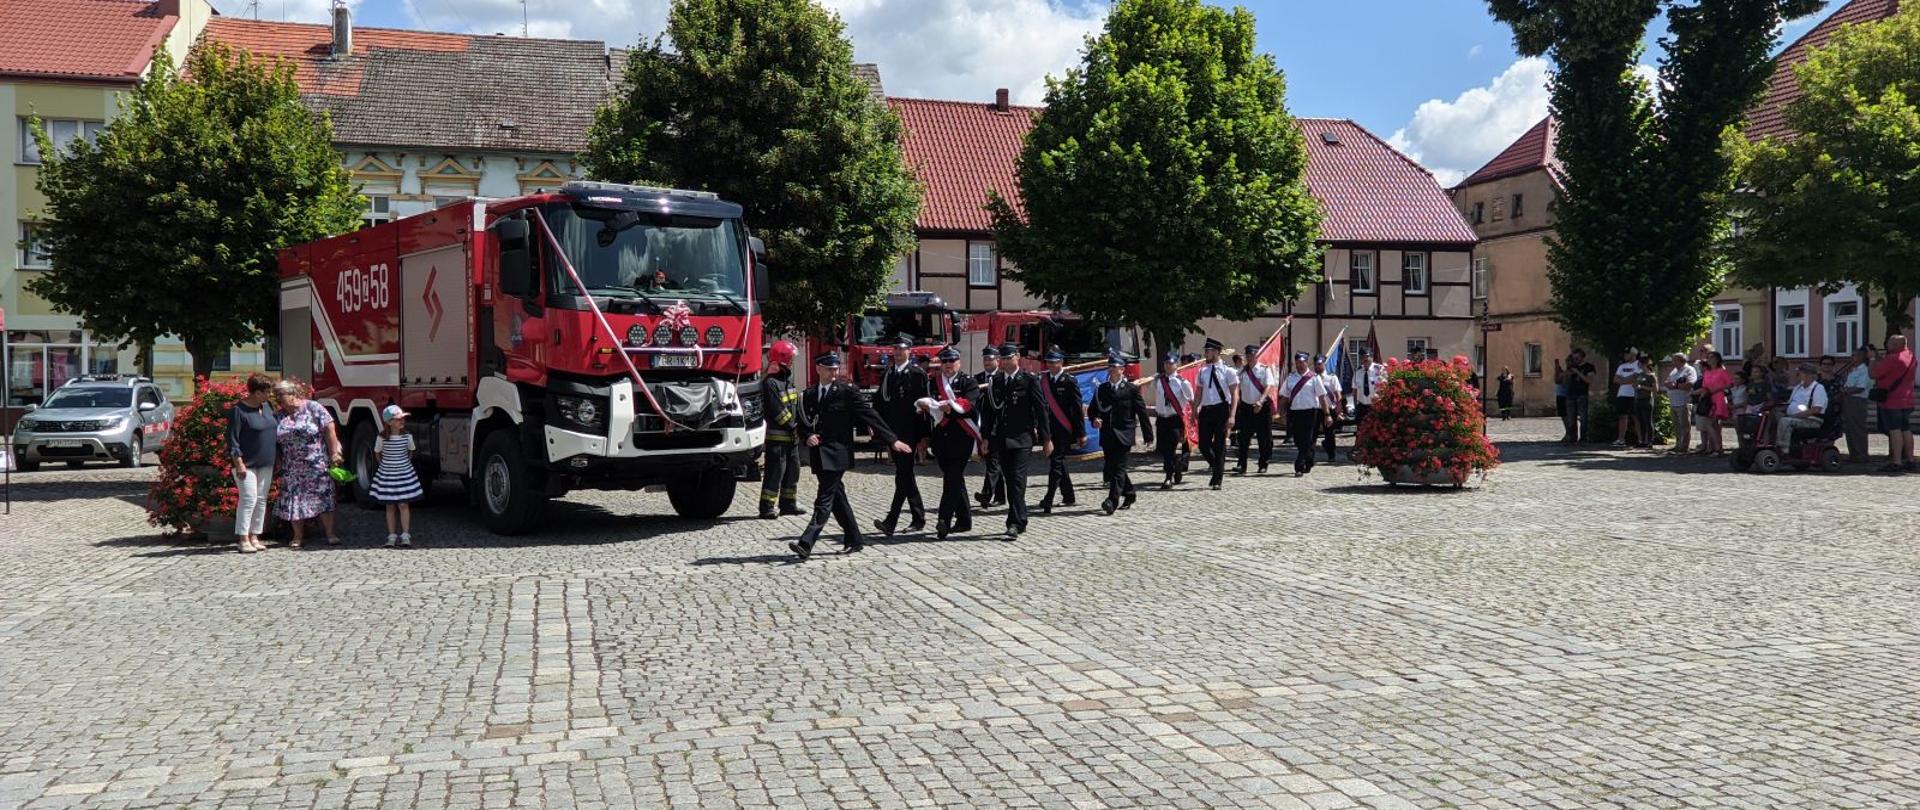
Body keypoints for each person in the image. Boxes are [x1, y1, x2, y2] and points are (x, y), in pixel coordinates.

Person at [789, 352, 910, 561]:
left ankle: (806, 542)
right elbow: (802, 422)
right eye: (829, 368)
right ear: (818, 368)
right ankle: (855, 539)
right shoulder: (808, 395)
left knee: (824, 498)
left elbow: (871, 416)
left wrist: (892, 440)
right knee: (838, 499)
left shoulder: (847, 392)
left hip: (837, 454)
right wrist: (807, 436)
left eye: (836, 369)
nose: (833, 373)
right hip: (819, 455)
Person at [984, 343, 1050, 540]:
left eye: (1008, 358)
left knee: (1018, 480)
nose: (1005, 362)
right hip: (1002, 438)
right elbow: (988, 412)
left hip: (1022, 438)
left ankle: (1014, 522)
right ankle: (1021, 518)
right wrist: (985, 437)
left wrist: (1047, 438)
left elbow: (1041, 410)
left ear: (1017, 357)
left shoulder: (1029, 380)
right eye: (1002, 359)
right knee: (1010, 479)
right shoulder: (996, 381)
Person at [272, 379, 342, 549]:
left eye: (281, 394)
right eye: (276, 395)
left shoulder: (312, 407)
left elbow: (329, 428)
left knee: (323, 497)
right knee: (294, 500)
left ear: (293, 394)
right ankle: (297, 536)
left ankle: (330, 534)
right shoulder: (279, 415)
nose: (278, 398)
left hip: (315, 462)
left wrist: (335, 452)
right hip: (292, 465)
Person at [923, 348, 983, 538]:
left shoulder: (968, 382)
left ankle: (943, 520)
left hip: (962, 437)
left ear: (959, 362)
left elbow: (969, 406)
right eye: (945, 361)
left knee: (951, 478)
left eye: (952, 361)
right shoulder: (934, 382)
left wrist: (951, 409)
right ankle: (964, 520)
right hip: (941, 439)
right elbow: (931, 406)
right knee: (955, 479)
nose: (948, 365)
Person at [873, 334, 928, 536]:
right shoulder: (888, 374)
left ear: (909, 351)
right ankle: (918, 517)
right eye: (895, 349)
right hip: (892, 432)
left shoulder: (917, 374)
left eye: (901, 349)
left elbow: (925, 407)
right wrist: (876, 426)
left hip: (910, 433)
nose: (897, 353)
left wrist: (924, 437)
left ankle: (891, 520)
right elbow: (881, 401)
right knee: (905, 476)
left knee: (903, 476)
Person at [1091, 353, 1153, 514]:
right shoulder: (1102, 389)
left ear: (1122, 369)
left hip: (1125, 434)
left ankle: (1112, 500)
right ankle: (1130, 492)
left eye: (1114, 367)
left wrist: (1148, 435)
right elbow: (1093, 410)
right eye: (1110, 366)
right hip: (1107, 434)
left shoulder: (1131, 389)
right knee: (1112, 468)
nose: (1111, 369)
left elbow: (1142, 412)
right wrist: (1095, 419)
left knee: (1118, 468)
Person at [227, 373, 279, 554]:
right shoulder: (238, 410)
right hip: (246, 463)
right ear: (257, 393)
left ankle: (255, 536)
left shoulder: (267, 407)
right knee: (249, 498)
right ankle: (243, 538)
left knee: (262, 499)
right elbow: (233, 440)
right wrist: (238, 462)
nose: (270, 395)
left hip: (267, 461)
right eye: (267, 392)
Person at [757, 340, 806, 519]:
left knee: (793, 471)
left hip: (791, 438)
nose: (793, 361)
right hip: (777, 439)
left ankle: (788, 504)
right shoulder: (771, 383)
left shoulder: (787, 381)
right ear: (782, 359)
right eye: (791, 358)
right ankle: (767, 507)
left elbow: (794, 406)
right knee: (775, 473)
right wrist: (793, 426)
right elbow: (777, 411)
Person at [1036, 348, 1085, 515]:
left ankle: (1048, 498)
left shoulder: (1070, 381)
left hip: (1064, 429)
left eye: (1054, 362)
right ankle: (1069, 495)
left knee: (1055, 463)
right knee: (1059, 462)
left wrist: (1080, 433)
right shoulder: (1043, 381)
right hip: (1049, 429)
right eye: (1048, 362)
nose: (1051, 365)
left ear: (1061, 362)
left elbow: (1077, 409)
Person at [370, 404, 424, 547]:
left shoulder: (407, 437)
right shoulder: (381, 438)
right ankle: (392, 535)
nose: (402, 421)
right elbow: (377, 453)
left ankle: (405, 535)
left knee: (403, 503)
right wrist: (386, 465)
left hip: (403, 473)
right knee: (390, 505)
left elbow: (411, 452)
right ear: (389, 422)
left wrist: (404, 464)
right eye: (398, 419)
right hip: (388, 473)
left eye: (403, 418)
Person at [1278, 352, 1332, 477]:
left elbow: (1322, 397)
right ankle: (1309, 459)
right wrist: (1281, 413)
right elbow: (1284, 397)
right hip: (1295, 413)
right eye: (1297, 362)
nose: (1299, 365)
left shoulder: (1314, 378)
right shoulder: (1290, 378)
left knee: (1307, 439)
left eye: (1302, 362)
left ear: (1306, 362)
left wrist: (1327, 414)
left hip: (1310, 413)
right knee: (1298, 440)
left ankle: (1299, 465)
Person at [1194, 338, 1238, 489]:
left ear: (1217, 352)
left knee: (1219, 445)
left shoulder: (1228, 371)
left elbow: (1235, 395)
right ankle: (1216, 466)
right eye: (1206, 351)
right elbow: (1198, 393)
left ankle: (1218, 479)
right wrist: (1195, 408)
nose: (1206, 353)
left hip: (1221, 410)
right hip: (1206, 410)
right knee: (1203, 445)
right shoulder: (1202, 371)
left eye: (1209, 351)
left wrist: (1232, 415)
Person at [1870, 334, 1916, 473]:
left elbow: (1873, 373)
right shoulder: (1911, 356)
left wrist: (1872, 358)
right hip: (1907, 399)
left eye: (1889, 343)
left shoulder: (1892, 358)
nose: (1886, 345)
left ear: (1896, 345)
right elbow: (1894, 371)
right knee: (1905, 429)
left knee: (1894, 430)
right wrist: (1880, 359)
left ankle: (1896, 462)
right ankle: (1910, 460)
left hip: (1892, 400)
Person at [1147, 353, 1193, 489]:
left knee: (1170, 448)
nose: (1168, 366)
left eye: (1171, 363)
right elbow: (1150, 388)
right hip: (1162, 418)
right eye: (1166, 363)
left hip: (1175, 419)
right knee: (1163, 449)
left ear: (1176, 365)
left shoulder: (1182, 382)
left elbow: (1190, 399)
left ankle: (1168, 477)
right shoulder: (1158, 380)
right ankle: (1176, 467)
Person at [1233, 344, 1275, 474]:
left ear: (1257, 356)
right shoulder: (1241, 372)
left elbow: (1269, 386)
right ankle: (1242, 464)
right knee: (1243, 438)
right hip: (1246, 408)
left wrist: (1260, 401)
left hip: (1262, 407)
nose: (1250, 357)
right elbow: (1236, 387)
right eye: (1248, 355)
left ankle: (1263, 463)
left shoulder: (1264, 370)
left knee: (1264, 438)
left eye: (1252, 355)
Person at [974, 346, 1006, 508]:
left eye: (990, 359)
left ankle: (986, 494)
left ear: (998, 361)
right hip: (981, 425)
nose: (987, 362)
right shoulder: (977, 378)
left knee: (993, 461)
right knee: (991, 461)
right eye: (985, 359)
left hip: (998, 427)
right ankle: (1000, 497)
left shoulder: (1002, 378)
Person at [1776, 363, 1828, 449]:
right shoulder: (1798, 387)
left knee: (1785, 421)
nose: (1797, 376)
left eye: (1799, 373)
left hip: (1811, 420)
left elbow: (1817, 409)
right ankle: (1769, 443)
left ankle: (1783, 449)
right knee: (1772, 414)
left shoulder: (1818, 388)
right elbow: (1789, 403)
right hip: (1795, 417)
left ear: (1808, 375)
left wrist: (1797, 415)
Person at [1836, 345, 1874, 463]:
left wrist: (1845, 390)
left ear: (1861, 357)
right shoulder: (1854, 370)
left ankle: (1862, 454)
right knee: (1849, 428)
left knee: (1857, 428)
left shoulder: (1864, 370)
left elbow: (1860, 388)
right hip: (1849, 400)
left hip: (1857, 401)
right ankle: (1854, 454)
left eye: (1854, 355)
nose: (1851, 358)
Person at [1694, 352, 1733, 455]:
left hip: (1718, 398)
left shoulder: (1722, 371)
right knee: (1713, 425)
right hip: (1708, 399)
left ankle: (1717, 448)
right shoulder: (1707, 372)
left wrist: (1717, 389)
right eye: (1709, 358)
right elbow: (1705, 386)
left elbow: (1729, 384)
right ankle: (1716, 447)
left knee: (1711, 424)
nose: (1710, 360)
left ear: (1717, 359)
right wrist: (1700, 393)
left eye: (1712, 357)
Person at [1664, 353, 1698, 455]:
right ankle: (1678, 444)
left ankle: (1684, 446)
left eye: (1674, 360)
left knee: (1684, 426)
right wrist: (1669, 384)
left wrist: (1676, 385)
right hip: (1673, 402)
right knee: (1676, 426)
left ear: (1681, 360)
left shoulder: (1689, 370)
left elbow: (1691, 384)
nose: (1672, 362)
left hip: (1684, 401)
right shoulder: (1674, 371)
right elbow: (1667, 382)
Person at [1611, 351, 1645, 448]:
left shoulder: (1639, 364)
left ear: (1633, 354)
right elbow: (1615, 379)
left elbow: (1638, 377)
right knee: (1622, 416)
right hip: (1622, 394)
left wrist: (1623, 380)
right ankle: (1621, 439)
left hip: (1634, 394)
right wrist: (1629, 379)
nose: (1625, 355)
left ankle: (1641, 439)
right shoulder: (1622, 366)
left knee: (1636, 417)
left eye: (1627, 354)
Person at [1314, 354, 1344, 462]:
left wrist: (1339, 408)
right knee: (1313, 433)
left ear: (1324, 364)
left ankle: (1331, 454)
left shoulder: (1331, 377)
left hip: (1329, 409)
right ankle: (1310, 455)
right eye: (1316, 364)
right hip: (1316, 408)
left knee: (1329, 433)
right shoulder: (1312, 377)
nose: (1317, 366)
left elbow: (1337, 394)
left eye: (1319, 364)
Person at [1562, 350, 1596, 443]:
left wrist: (1577, 372)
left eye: (1577, 358)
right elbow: (1563, 379)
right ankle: (1573, 437)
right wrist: (1567, 374)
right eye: (1574, 358)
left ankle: (1583, 437)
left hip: (1582, 395)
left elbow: (1588, 380)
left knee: (1583, 417)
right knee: (1571, 418)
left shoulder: (1589, 367)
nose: (1575, 360)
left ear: (1582, 357)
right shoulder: (1572, 367)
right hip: (1570, 394)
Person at [1353, 348, 1384, 426]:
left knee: (1375, 431)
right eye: (1362, 357)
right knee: (1360, 431)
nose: (1364, 359)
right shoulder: (1357, 372)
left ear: (1371, 357)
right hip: (1361, 407)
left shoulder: (1380, 369)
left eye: (1366, 356)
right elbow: (1354, 389)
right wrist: (1355, 405)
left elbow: (1385, 387)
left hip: (1376, 407)